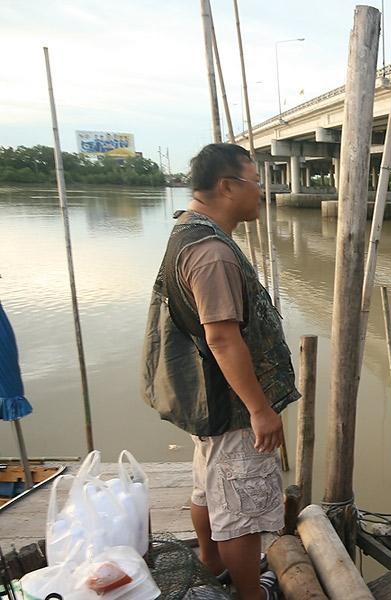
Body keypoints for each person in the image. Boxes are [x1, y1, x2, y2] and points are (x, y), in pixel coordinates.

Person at [142, 143, 298, 600]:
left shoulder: (188, 233)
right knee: (242, 510)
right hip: (231, 405)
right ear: (228, 187)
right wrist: (260, 409)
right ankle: (251, 594)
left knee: (209, 490)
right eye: (254, 181)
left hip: (208, 398)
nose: (260, 192)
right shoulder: (212, 253)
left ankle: (213, 566)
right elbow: (223, 338)